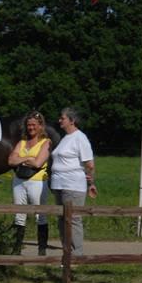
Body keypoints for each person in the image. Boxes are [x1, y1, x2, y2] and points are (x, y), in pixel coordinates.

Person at [50, 107, 98, 256]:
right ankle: (67, 252)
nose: (59, 120)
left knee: (73, 219)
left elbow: (89, 164)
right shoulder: (65, 138)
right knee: (62, 218)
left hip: (72, 185)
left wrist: (91, 183)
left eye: (62, 118)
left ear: (72, 121)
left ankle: (77, 254)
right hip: (59, 184)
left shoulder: (80, 138)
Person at [7, 111, 51, 255]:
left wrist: (22, 157)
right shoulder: (22, 142)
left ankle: (42, 249)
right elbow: (10, 160)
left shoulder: (46, 142)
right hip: (19, 181)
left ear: (40, 126)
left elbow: (38, 163)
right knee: (19, 215)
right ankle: (16, 248)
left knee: (40, 215)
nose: (31, 127)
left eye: (33, 125)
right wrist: (28, 158)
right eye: (28, 125)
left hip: (37, 182)